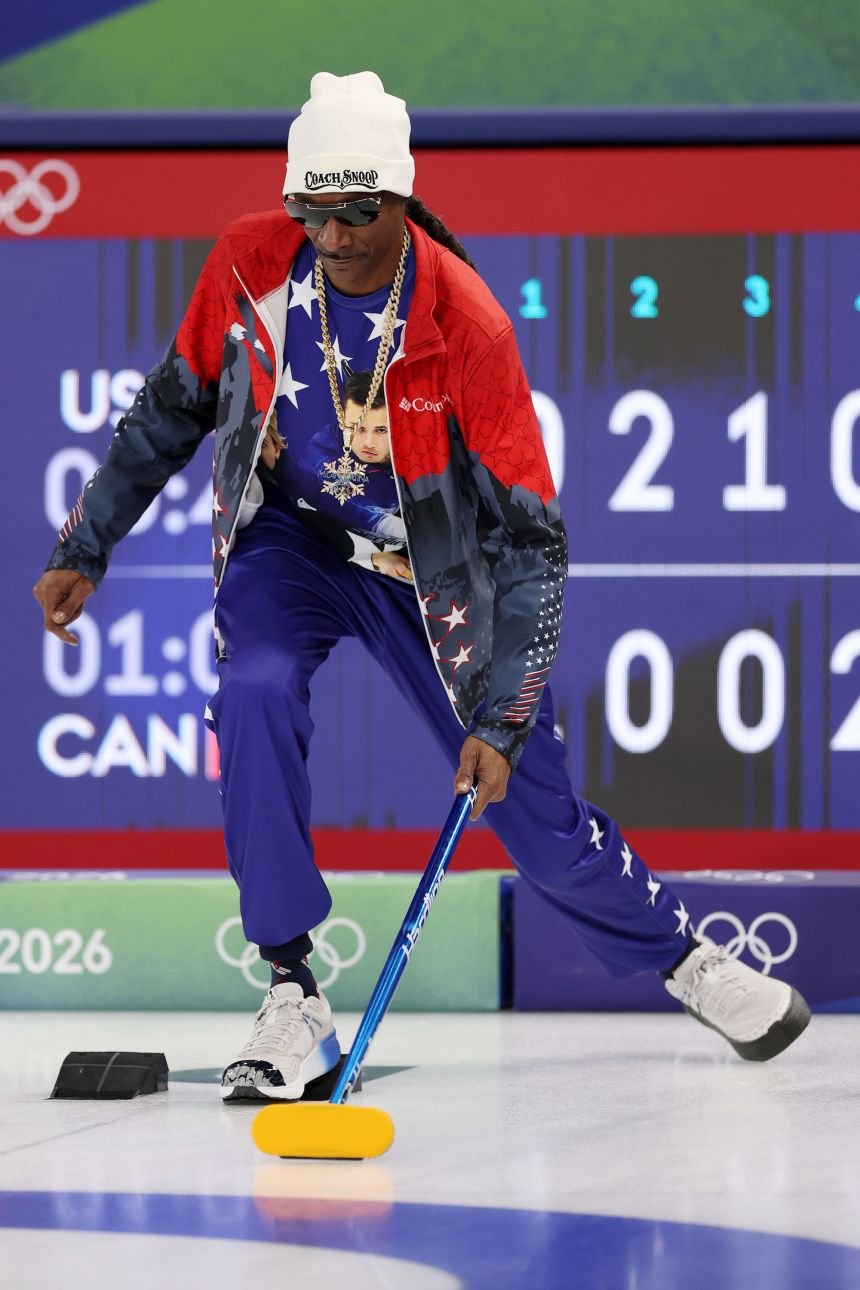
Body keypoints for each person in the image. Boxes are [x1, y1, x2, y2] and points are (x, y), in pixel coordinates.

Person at [33, 71, 810, 1102]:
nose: (336, 233)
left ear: (401, 197)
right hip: (292, 544)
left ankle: (683, 959)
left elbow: (532, 540)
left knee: (530, 811)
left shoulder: (466, 324)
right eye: (313, 207)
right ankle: (289, 985)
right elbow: (169, 410)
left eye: (359, 210)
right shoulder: (247, 263)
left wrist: (504, 710)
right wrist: (85, 544)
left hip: (430, 574)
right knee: (253, 689)